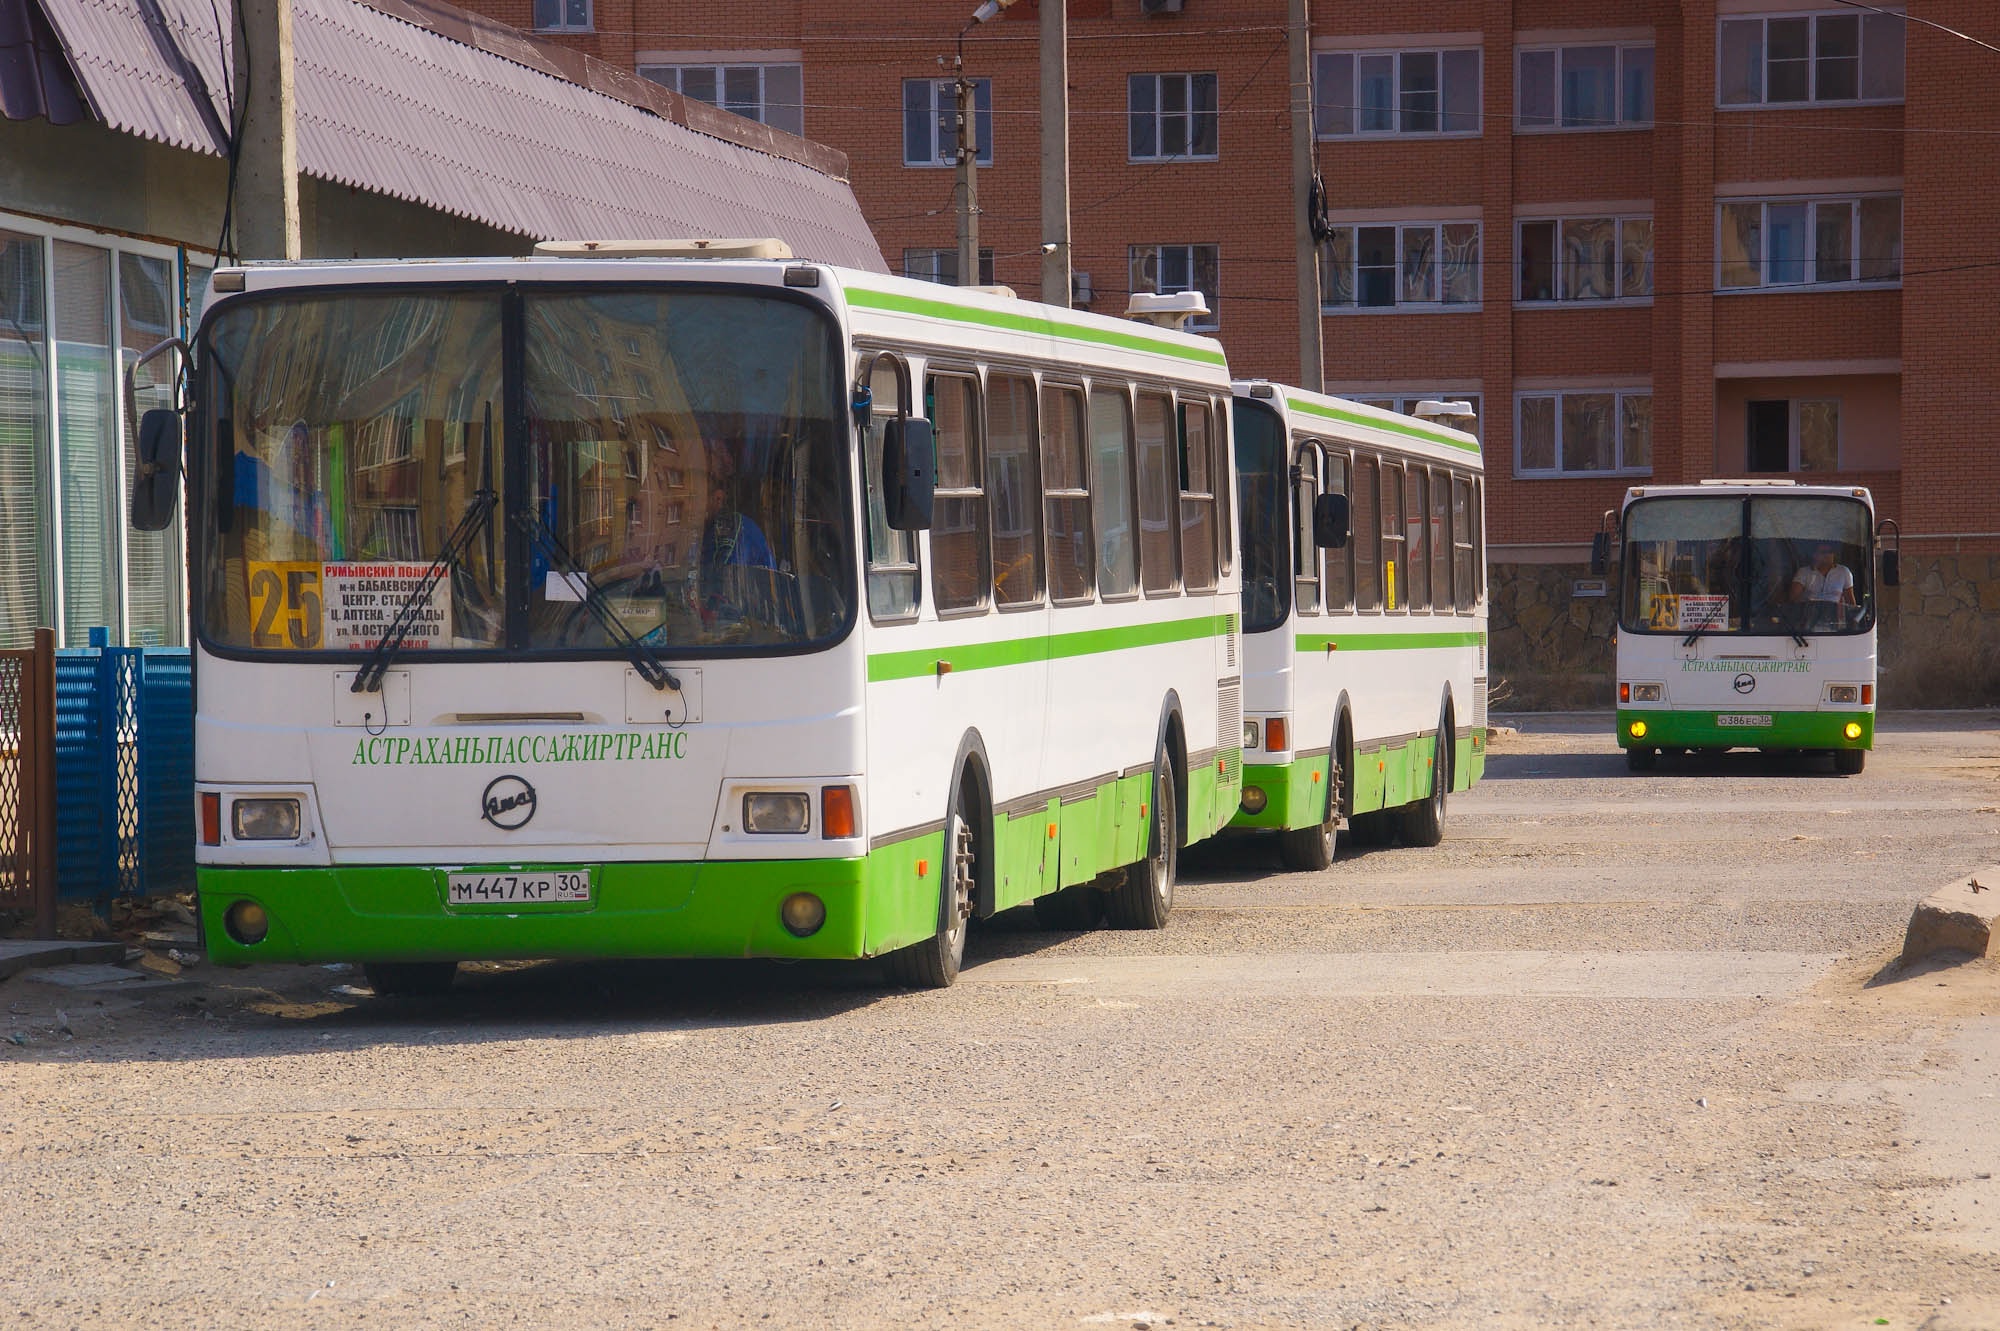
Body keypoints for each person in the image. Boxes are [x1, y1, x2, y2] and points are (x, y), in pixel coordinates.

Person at [1789, 542, 1856, 627]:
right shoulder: (1803, 572)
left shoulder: (1844, 572)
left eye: (1830, 552)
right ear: (1814, 555)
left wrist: (1853, 622)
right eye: (1823, 552)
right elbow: (1793, 600)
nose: (1828, 555)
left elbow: (1850, 601)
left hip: (1834, 621)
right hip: (1808, 621)